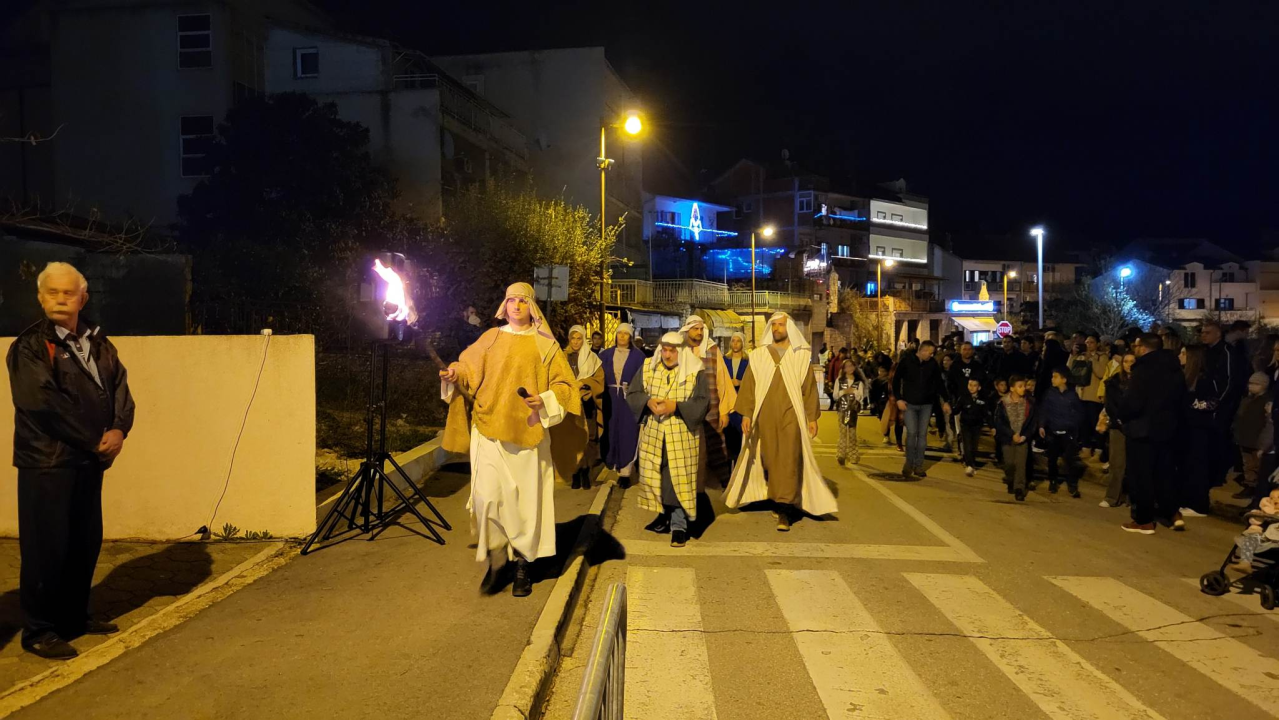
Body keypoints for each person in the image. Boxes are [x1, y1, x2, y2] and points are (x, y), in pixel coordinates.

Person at [7, 262, 135, 660]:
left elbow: (120, 388)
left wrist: (119, 429)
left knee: (84, 542)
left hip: (87, 462)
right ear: (40, 298)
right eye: (52, 292)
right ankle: (39, 630)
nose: (60, 299)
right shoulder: (30, 346)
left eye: (68, 293)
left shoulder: (99, 342)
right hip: (47, 462)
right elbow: (42, 404)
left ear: (83, 298)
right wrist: (95, 440)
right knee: (46, 546)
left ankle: (73, 617)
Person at [439, 282, 580, 597]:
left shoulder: (546, 344)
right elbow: (467, 368)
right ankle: (498, 561)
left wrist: (544, 399)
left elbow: (565, 386)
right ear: (505, 305)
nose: (516, 305)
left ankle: (522, 566)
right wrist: (454, 374)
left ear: (532, 307)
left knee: (524, 504)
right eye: (512, 300)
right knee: (487, 499)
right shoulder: (491, 338)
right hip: (489, 429)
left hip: (528, 433)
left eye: (523, 301)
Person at [725, 312, 837, 530]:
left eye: (781, 325)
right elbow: (749, 386)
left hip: (791, 415)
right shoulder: (759, 355)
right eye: (774, 325)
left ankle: (785, 508)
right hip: (764, 416)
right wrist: (747, 414)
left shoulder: (800, 355)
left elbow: (808, 388)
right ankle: (771, 497)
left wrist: (812, 417)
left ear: (789, 328)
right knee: (767, 459)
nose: (777, 328)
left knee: (788, 458)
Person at [627, 332, 710, 548]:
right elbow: (634, 393)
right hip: (654, 435)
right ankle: (664, 516)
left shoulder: (695, 371)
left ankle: (678, 526)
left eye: (672, 351)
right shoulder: (648, 367)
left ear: (680, 351)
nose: (667, 355)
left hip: (681, 436)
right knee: (657, 476)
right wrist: (647, 402)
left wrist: (677, 407)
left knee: (676, 480)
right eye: (664, 350)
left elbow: (702, 402)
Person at [1117, 333, 1185, 534]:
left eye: (1136, 346)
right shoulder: (1174, 369)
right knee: (1164, 473)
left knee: (1141, 476)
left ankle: (1143, 520)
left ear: (1143, 348)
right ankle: (1172, 512)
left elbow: (1134, 401)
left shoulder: (1143, 369)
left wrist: (1122, 415)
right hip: (1167, 429)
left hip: (1142, 429)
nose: (1134, 349)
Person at [680, 315, 737, 489]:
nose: (699, 332)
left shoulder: (712, 350)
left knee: (716, 445)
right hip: (686, 408)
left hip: (711, 408)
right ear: (687, 330)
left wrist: (724, 411)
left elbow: (722, 380)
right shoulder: (679, 351)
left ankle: (724, 483)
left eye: (701, 329)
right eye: (695, 329)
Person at [1201, 320, 1248, 508]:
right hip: (1208, 403)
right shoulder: (1207, 352)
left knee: (1218, 439)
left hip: (1221, 406)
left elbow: (1230, 380)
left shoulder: (1226, 352)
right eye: (1202, 332)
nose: (1203, 335)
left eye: (1207, 332)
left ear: (1218, 334)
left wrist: (1218, 401)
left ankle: (1217, 475)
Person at [552, 325, 604, 490]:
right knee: (572, 438)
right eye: (573, 338)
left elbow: (599, 379)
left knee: (588, 438)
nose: (575, 342)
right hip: (569, 404)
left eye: (579, 338)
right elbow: (556, 378)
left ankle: (585, 471)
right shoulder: (562, 357)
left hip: (586, 403)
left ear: (583, 340)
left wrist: (584, 383)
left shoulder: (592, 358)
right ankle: (574, 473)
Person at [892, 340, 951, 479]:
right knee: (912, 433)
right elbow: (896, 380)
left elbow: (939, 383)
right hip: (909, 403)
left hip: (926, 404)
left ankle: (918, 465)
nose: (931, 355)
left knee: (922, 435)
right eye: (930, 352)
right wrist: (898, 398)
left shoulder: (932, 364)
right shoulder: (907, 361)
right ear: (922, 350)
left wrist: (945, 400)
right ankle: (909, 463)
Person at [599, 323, 645, 488]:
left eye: (626, 334)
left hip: (628, 400)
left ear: (630, 336)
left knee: (627, 433)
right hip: (610, 398)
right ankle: (612, 464)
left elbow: (643, 379)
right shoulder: (605, 355)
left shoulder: (638, 357)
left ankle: (625, 472)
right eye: (620, 333)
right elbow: (598, 376)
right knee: (610, 432)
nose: (622, 336)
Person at [1180, 344, 1218, 519]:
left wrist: (1193, 403)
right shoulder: (1185, 378)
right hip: (1186, 428)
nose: (1179, 356)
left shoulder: (1204, 379)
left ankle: (1199, 505)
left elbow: (1212, 403)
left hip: (1199, 429)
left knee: (1198, 466)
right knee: (1187, 466)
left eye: (1183, 353)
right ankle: (1187, 500)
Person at [1038, 366, 1084, 497]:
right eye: (1052, 377)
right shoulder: (1050, 394)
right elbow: (1044, 410)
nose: (1052, 379)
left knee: (1070, 460)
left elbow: (1079, 413)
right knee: (1052, 459)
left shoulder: (1072, 395)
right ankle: (1053, 481)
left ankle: (1072, 484)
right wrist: (1041, 425)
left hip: (1068, 433)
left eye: (1055, 377)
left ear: (1064, 379)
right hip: (1053, 432)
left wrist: (1073, 427)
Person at [1099, 352, 1136, 508]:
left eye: (1132, 361)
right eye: (1126, 361)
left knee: (1134, 464)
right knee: (1117, 463)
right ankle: (1112, 497)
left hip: (1135, 426)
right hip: (1117, 426)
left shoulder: (1142, 382)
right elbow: (1110, 405)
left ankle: (1132, 498)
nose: (1129, 364)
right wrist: (1119, 420)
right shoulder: (1114, 382)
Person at [994, 375, 1035, 501]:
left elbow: (1032, 423)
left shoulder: (1029, 403)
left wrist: (1025, 435)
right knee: (1010, 463)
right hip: (1008, 438)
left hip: (1022, 439)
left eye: (1024, 386)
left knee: (1021, 464)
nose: (1023, 389)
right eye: (1020, 386)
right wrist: (1011, 434)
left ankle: (1019, 488)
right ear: (1012, 388)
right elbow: (999, 422)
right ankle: (1010, 480)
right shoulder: (1003, 403)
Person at [1069, 334, 1108, 457]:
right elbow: (1069, 371)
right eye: (1087, 342)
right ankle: (1085, 447)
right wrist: (1073, 355)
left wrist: (1091, 359)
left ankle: (1099, 449)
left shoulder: (1102, 356)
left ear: (1097, 344)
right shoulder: (1080, 356)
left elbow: (1101, 373)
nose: (1088, 345)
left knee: (1095, 423)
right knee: (1083, 423)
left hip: (1094, 396)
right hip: (1080, 395)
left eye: (1091, 342)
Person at [1233, 372, 1271, 499]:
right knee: (1248, 465)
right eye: (1250, 383)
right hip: (1244, 438)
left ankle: (1257, 488)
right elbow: (1239, 417)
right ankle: (1250, 485)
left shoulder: (1267, 401)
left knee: (1257, 465)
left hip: (1257, 439)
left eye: (1256, 384)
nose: (1251, 386)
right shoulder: (1246, 400)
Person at [953, 378, 990, 476]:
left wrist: (992, 426)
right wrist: (950, 410)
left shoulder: (983, 399)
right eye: (970, 385)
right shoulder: (963, 397)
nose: (972, 387)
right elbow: (956, 410)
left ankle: (972, 462)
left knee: (974, 445)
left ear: (979, 387)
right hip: (965, 425)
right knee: (967, 444)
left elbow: (986, 413)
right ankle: (969, 465)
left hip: (977, 425)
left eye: (974, 385)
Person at [723, 331, 751, 465]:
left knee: (741, 435)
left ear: (742, 343)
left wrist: (741, 382)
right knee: (729, 436)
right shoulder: (725, 360)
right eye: (733, 341)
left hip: (741, 401)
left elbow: (752, 380)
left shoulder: (748, 361)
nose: (735, 343)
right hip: (728, 402)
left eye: (738, 341)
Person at [833, 359, 864, 466]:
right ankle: (841, 454)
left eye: (851, 366)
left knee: (852, 434)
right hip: (842, 409)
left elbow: (860, 397)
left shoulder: (858, 382)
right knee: (842, 433)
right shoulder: (839, 380)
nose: (849, 368)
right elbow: (835, 395)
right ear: (843, 369)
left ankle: (853, 455)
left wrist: (854, 391)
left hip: (853, 410)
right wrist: (844, 392)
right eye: (847, 366)